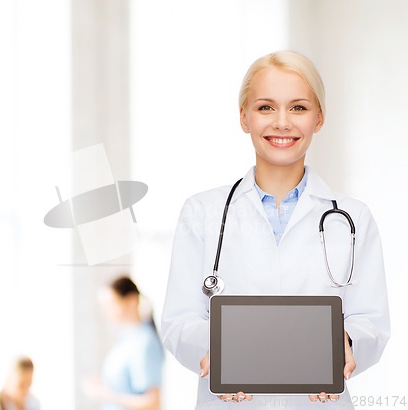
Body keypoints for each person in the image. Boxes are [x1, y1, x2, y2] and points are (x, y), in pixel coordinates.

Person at [161, 51, 390, 409]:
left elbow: (372, 322)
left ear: (319, 118)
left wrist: (343, 344)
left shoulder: (352, 218)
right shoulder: (202, 212)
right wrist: (217, 353)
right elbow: (179, 321)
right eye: (266, 107)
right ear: (244, 117)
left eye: (298, 108)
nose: (282, 123)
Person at [83, 276, 164, 410]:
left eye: (111, 305)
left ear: (132, 300)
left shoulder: (144, 342)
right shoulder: (125, 338)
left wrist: (105, 394)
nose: (106, 313)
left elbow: (153, 403)